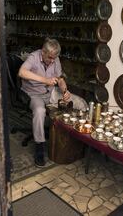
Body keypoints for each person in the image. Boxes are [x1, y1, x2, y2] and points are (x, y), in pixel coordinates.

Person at [18, 38, 88, 167]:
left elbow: (60, 78)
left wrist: (65, 91)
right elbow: (22, 72)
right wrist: (44, 80)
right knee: (40, 111)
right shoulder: (34, 57)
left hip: (50, 92)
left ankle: (79, 141)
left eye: (54, 58)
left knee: (80, 102)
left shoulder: (55, 59)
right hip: (34, 94)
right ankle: (39, 147)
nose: (52, 61)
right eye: (50, 57)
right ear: (43, 52)